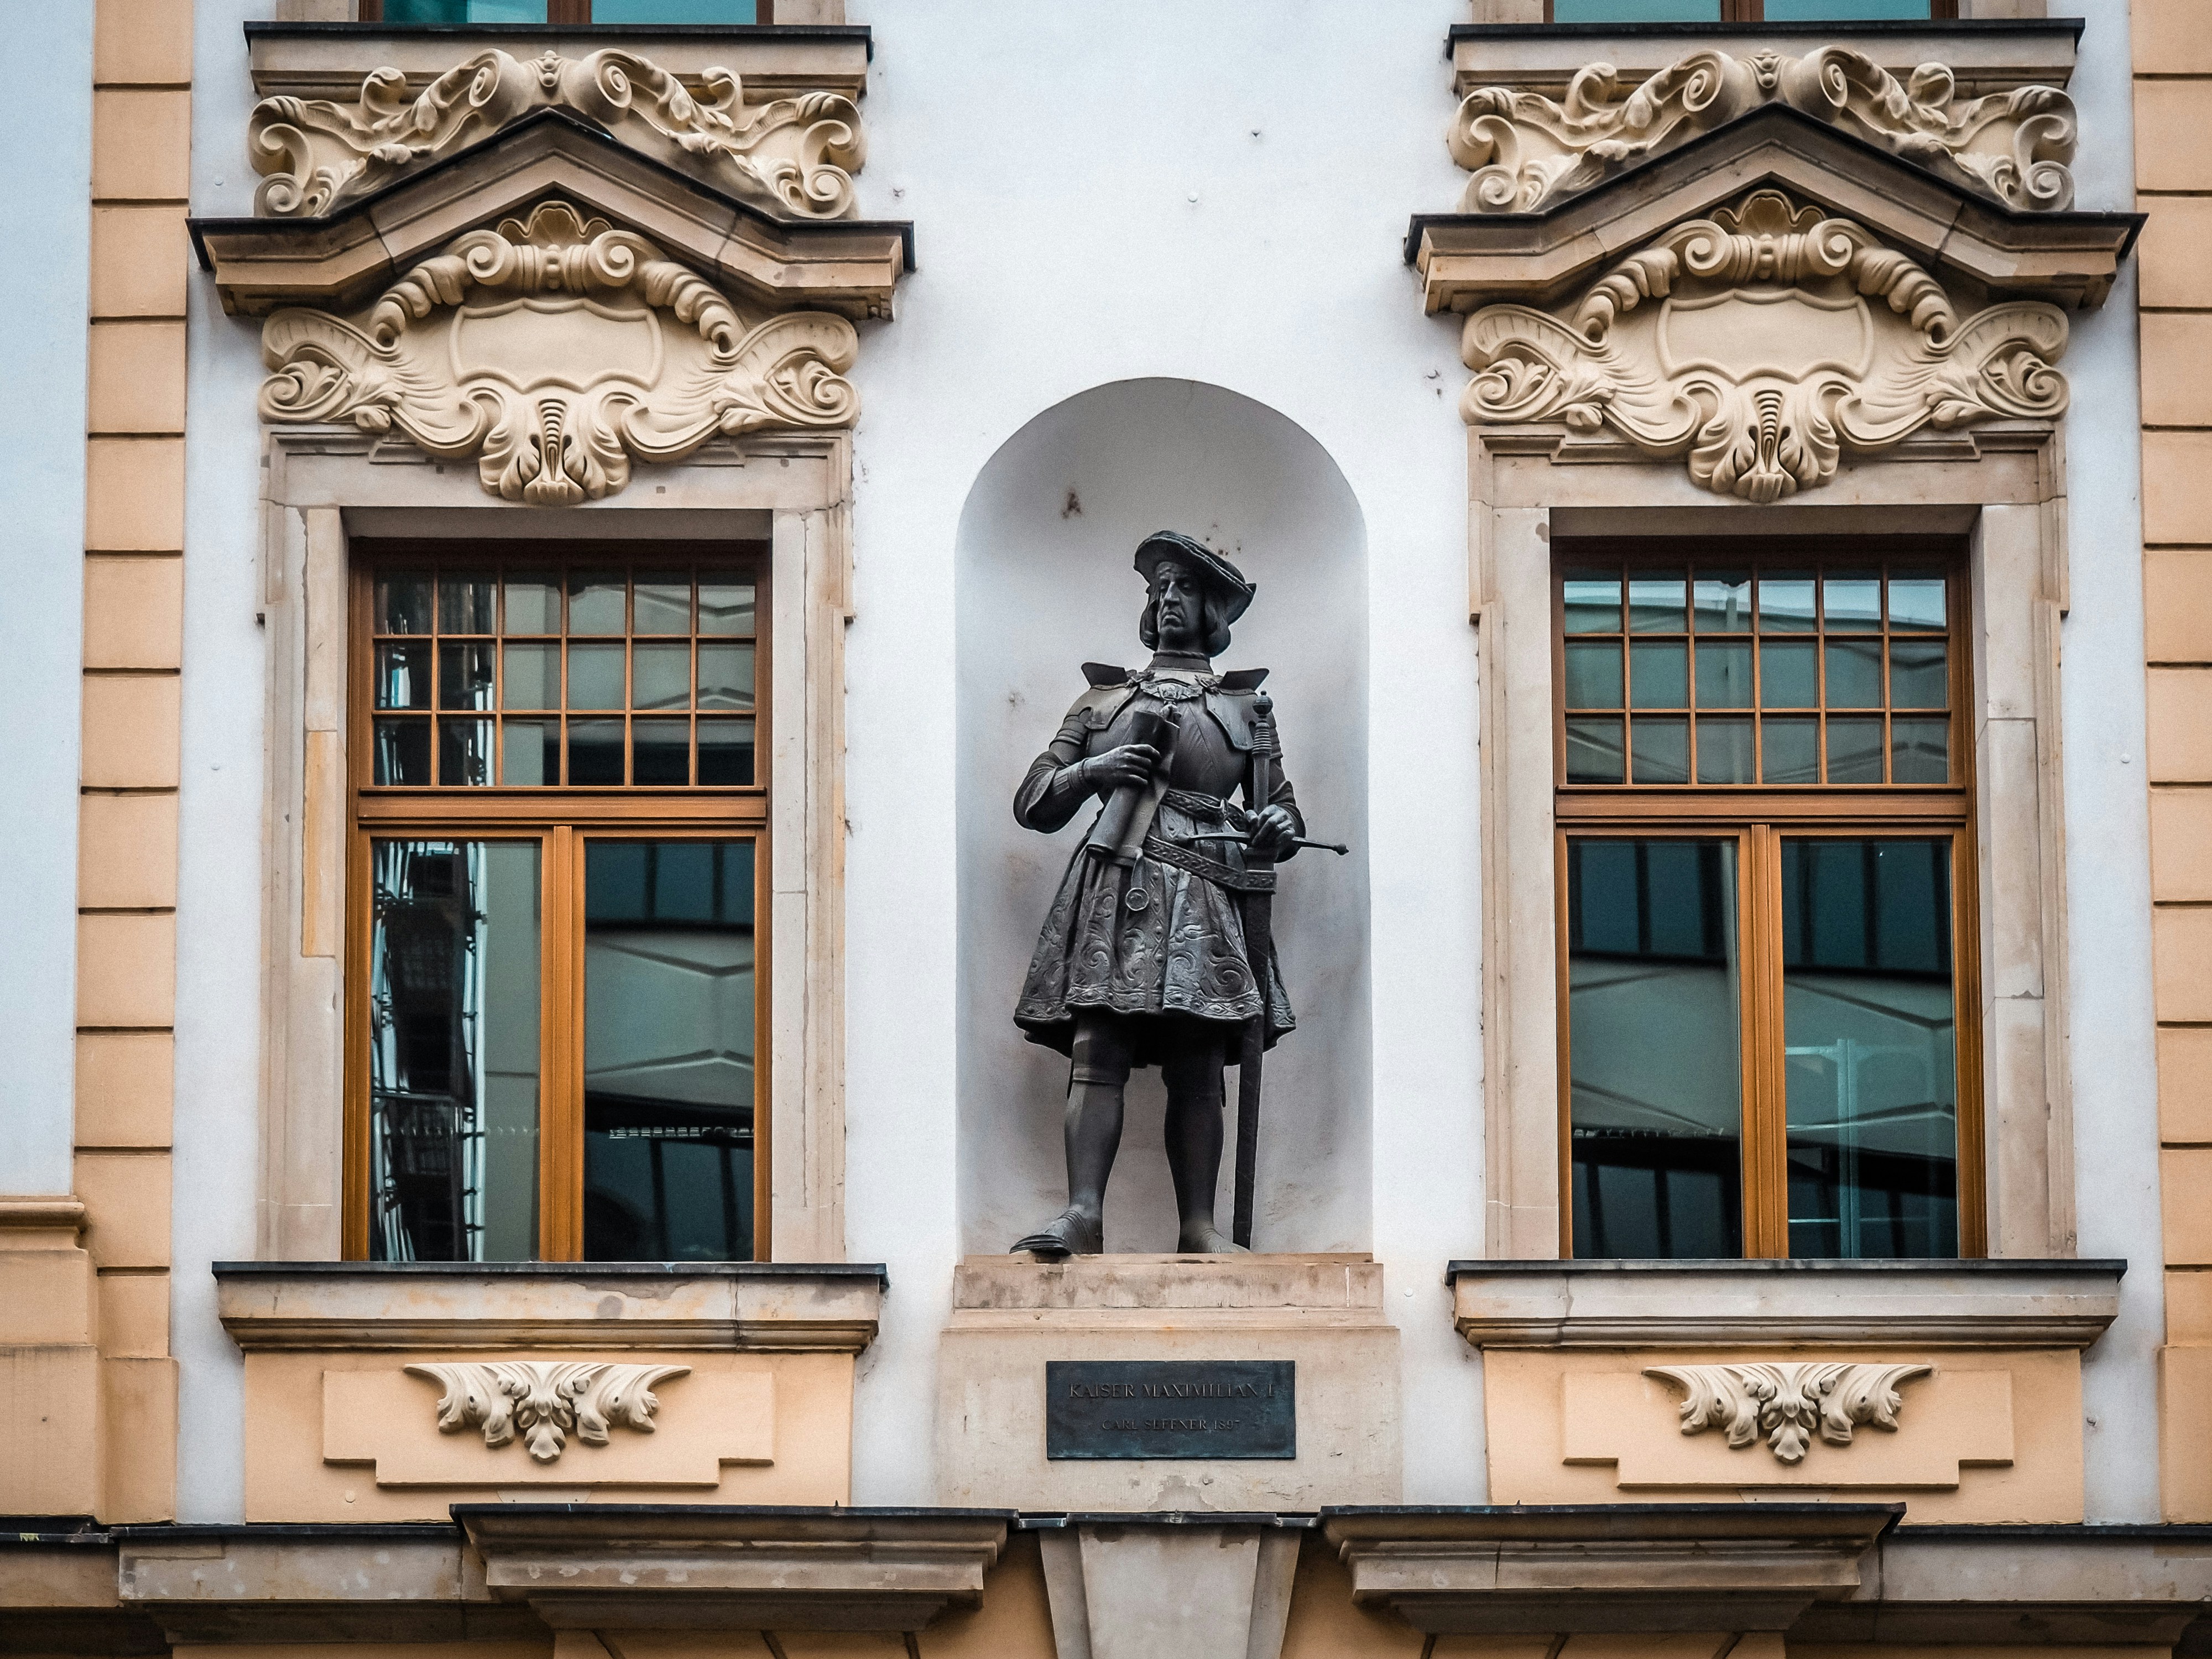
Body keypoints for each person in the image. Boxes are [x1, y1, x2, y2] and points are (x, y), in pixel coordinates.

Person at [1010, 530, 1302, 1256]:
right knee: (1097, 1043)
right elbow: (1034, 801)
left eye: (1184, 590)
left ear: (1212, 610)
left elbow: (1285, 811)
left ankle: (1198, 1226)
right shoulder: (1103, 701)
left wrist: (1272, 825)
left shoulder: (1248, 709)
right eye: (1158, 589)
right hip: (1117, 876)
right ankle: (1082, 1212)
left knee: (1198, 1057)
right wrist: (1096, 771)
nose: (1168, 599)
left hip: (1205, 884)